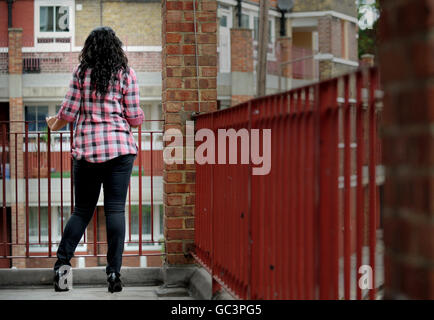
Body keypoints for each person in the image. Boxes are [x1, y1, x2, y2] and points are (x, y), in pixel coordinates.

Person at [46, 26, 144, 293]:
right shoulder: (126, 74)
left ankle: (62, 270)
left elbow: (67, 113)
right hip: (120, 151)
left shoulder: (81, 73)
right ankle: (113, 275)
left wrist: (52, 123)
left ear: (89, 48)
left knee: (82, 211)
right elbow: (135, 118)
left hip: (87, 151)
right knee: (115, 210)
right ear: (116, 47)